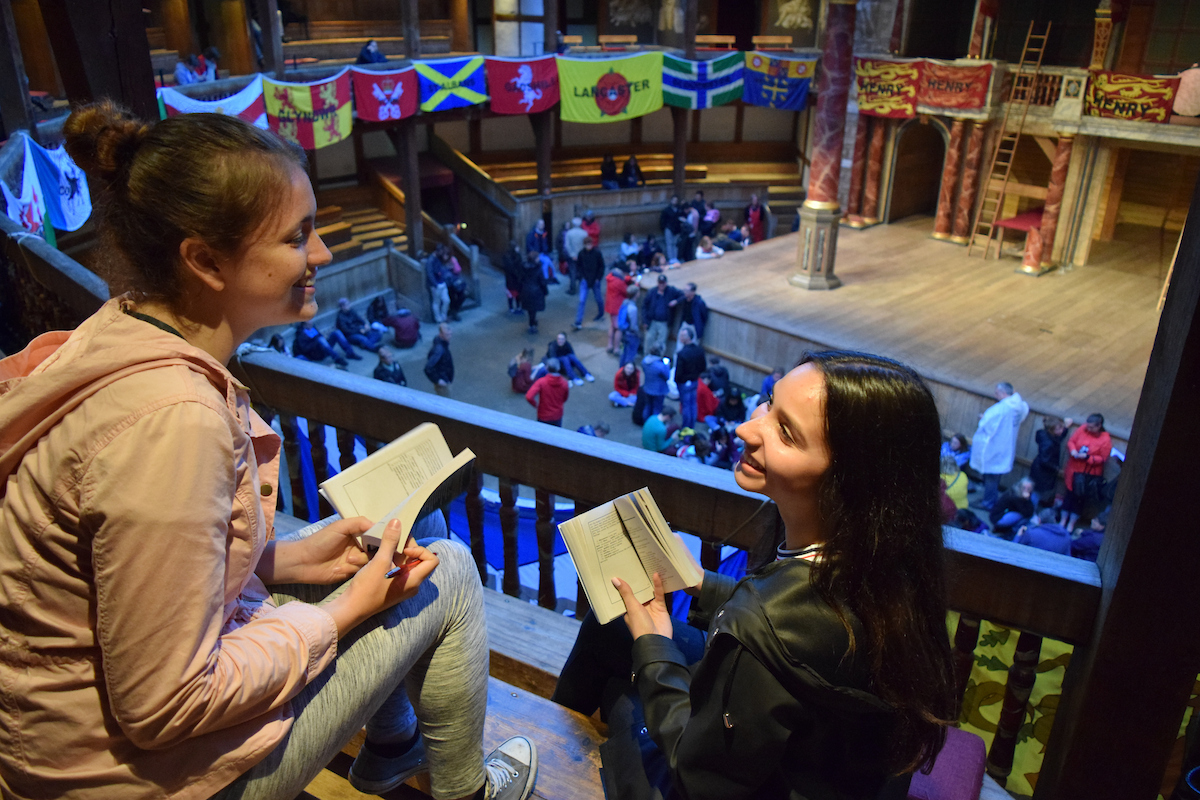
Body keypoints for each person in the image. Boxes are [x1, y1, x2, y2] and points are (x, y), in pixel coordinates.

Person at [0, 102, 538, 800]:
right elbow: (163, 705)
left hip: (62, 741)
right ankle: (468, 793)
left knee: (404, 539)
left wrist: (284, 557)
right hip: (129, 779)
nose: (322, 255)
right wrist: (342, 611)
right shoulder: (173, 423)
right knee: (454, 571)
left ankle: (395, 745)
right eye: (297, 237)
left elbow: (126, 581)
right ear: (204, 260)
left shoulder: (120, 333)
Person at [552, 351, 955, 800]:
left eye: (785, 432)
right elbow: (808, 642)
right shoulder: (894, 563)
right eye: (768, 401)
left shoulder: (763, 618)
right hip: (838, 769)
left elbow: (699, 776)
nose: (746, 428)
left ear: (847, 481)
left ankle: (548, 753)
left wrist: (655, 646)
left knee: (624, 699)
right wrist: (703, 585)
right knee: (609, 629)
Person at [969, 381, 1030, 510]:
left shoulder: (1001, 409)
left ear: (1002, 393)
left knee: (991, 476)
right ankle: (989, 498)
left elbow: (987, 425)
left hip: (994, 447)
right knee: (995, 477)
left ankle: (988, 502)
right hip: (1006, 447)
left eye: (996, 392)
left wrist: (983, 418)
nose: (995, 395)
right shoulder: (1019, 406)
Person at [1061, 414, 1112, 531]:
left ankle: (1071, 524)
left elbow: (1103, 458)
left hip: (1087, 475)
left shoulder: (1105, 439)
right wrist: (1073, 450)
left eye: (1091, 427)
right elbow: (1071, 441)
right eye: (1087, 426)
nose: (1088, 429)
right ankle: (1063, 521)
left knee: (1080, 500)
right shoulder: (1082, 429)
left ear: (1099, 426)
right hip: (1073, 470)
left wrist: (1088, 457)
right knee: (1068, 495)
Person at [1028, 415, 1072, 507]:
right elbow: (1045, 461)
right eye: (1058, 429)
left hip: (1039, 470)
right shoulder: (1048, 443)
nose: (1061, 431)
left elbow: (1058, 439)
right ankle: (1030, 513)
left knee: (1036, 492)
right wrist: (1057, 469)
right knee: (1036, 494)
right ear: (1051, 431)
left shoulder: (1046, 436)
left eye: (1061, 428)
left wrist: (1066, 428)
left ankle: (1030, 511)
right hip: (1042, 472)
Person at [641, 274, 682, 356]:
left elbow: (683, 295)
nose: (661, 285)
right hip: (652, 321)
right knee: (649, 340)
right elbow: (644, 306)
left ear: (666, 283)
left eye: (663, 283)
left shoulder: (671, 291)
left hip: (664, 322)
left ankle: (658, 359)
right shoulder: (652, 292)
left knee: (661, 343)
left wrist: (676, 301)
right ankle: (647, 357)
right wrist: (644, 321)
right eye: (660, 283)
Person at [674, 327, 706, 430]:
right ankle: (692, 426)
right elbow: (703, 367)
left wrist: (677, 381)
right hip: (694, 381)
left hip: (684, 382)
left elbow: (678, 372)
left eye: (682, 335)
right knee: (693, 404)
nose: (680, 337)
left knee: (686, 406)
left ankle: (686, 428)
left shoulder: (682, 354)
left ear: (687, 338)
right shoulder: (699, 350)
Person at [293, 320, 360, 365]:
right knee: (320, 339)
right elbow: (305, 348)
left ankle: (350, 353)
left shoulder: (312, 327)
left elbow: (320, 336)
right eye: (309, 322)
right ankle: (337, 358)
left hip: (325, 348)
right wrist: (317, 341)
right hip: (317, 353)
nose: (311, 323)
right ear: (304, 324)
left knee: (336, 332)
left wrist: (323, 337)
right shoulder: (301, 334)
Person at [525, 357, 570, 426]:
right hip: (557, 415)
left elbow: (529, 396)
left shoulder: (541, 382)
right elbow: (565, 398)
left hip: (543, 414)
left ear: (546, 368)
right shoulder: (565, 383)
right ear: (559, 368)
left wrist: (535, 405)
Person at [574, 236, 606, 330]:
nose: (589, 246)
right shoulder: (581, 254)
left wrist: (598, 278)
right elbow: (578, 266)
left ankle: (601, 313)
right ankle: (578, 321)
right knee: (581, 301)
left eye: (590, 244)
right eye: (587, 244)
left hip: (595, 280)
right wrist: (581, 277)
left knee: (599, 299)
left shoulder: (597, 253)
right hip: (585, 280)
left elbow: (601, 266)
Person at [519, 250, 548, 334]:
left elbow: (521, 279)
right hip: (536, 291)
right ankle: (532, 324)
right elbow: (542, 282)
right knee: (533, 309)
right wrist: (545, 291)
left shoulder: (524, 267)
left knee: (529, 309)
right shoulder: (538, 269)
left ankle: (531, 323)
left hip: (526, 290)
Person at [605, 265, 632, 354]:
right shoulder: (619, 282)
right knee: (619, 328)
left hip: (611, 306)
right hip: (618, 307)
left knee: (612, 326)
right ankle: (616, 348)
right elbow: (626, 291)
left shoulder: (611, 278)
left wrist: (627, 278)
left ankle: (610, 345)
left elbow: (624, 279)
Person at [424, 322, 454, 397]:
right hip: (443, 381)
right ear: (440, 334)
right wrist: (438, 380)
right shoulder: (439, 349)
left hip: (446, 378)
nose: (449, 337)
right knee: (446, 401)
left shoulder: (443, 344)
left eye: (450, 334)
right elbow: (428, 368)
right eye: (447, 335)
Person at [640, 345, 670, 418]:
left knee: (648, 406)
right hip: (659, 390)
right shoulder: (661, 366)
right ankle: (654, 423)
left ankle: (645, 422)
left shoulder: (644, 361)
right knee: (657, 408)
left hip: (647, 387)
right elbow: (667, 376)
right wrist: (667, 366)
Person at [425, 245, 451, 324]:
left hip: (442, 282)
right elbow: (429, 273)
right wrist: (435, 284)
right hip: (435, 285)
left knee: (446, 300)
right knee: (436, 302)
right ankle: (438, 319)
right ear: (437, 251)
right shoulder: (430, 260)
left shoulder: (439, 258)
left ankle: (444, 316)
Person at [617, 283, 641, 367]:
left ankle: (621, 370)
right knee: (630, 356)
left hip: (624, 333)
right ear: (636, 294)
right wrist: (638, 334)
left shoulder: (624, 303)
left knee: (623, 353)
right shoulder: (633, 308)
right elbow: (633, 326)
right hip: (631, 336)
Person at [563, 217, 587, 295]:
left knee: (572, 272)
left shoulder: (569, 233)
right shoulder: (584, 233)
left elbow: (567, 245)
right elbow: (585, 245)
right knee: (581, 272)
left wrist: (572, 254)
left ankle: (572, 289)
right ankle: (582, 288)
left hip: (572, 256)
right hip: (582, 256)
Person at [501, 240, 524, 314]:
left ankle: (512, 307)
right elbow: (518, 267)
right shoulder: (517, 256)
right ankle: (517, 307)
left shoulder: (506, 256)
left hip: (510, 279)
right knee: (516, 294)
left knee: (510, 294)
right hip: (516, 279)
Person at [660, 196, 682, 263]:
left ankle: (675, 258)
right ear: (671, 201)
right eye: (674, 200)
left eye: (676, 200)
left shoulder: (679, 209)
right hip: (669, 228)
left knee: (675, 244)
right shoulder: (667, 210)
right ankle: (671, 259)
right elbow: (662, 220)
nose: (675, 202)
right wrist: (664, 227)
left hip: (677, 229)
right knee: (669, 244)